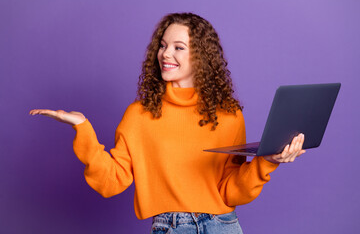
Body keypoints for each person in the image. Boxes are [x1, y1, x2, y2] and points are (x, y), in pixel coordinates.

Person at [30, 12, 305, 234]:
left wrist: (268, 160)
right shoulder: (139, 115)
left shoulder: (229, 115)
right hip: (172, 227)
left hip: (224, 226)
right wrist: (83, 129)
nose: (164, 54)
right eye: (162, 45)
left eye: (178, 47)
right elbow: (111, 181)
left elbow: (230, 190)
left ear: (201, 57)